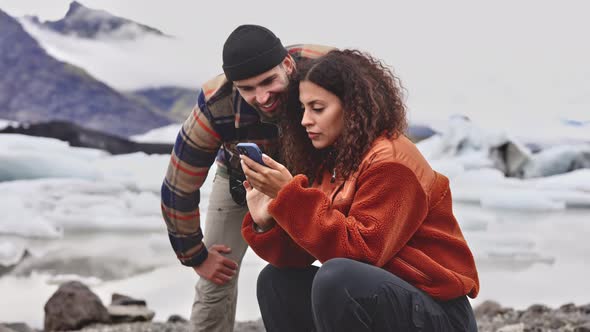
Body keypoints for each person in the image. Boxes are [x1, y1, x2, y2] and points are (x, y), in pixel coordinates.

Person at [240, 49, 480, 332]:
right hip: (391, 300)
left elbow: (362, 253)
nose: (305, 120)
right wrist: (266, 221)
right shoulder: (333, 161)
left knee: (337, 278)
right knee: (276, 281)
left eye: (317, 108)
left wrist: (290, 197)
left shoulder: (392, 163)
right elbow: (299, 256)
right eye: (302, 109)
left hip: (439, 314)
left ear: (353, 109)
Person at [160, 24, 333, 332]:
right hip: (244, 176)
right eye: (248, 88)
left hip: (322, 170)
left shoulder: (328, 69)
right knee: (216, 276)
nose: (263, 97)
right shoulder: (217, 105)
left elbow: (375, 123)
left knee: (350, 257)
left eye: (268, 81)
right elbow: (178, 185)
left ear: (288, 66)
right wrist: (196, 256)